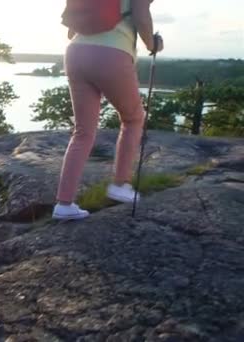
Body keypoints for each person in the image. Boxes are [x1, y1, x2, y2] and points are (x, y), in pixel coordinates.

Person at [52, 0, 164, 220]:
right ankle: (121, 184)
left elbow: (71, 31)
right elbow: (142, 15)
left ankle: (63, 204)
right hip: (112, 53)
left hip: (75, 52)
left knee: (83, 131)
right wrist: (152, 44)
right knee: (133, 119)